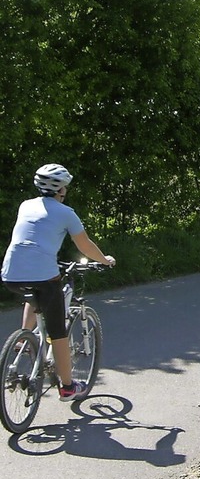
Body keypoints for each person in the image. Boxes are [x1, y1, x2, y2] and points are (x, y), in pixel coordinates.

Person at [1, 164, 115, 401]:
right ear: (61, 189)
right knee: (58, 332)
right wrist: (104, 260)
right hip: (43, 274)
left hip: (10, 273)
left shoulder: (26, 205)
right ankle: (67, 386)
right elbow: (84, 245)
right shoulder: (66, 213)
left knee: (34, 294)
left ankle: (26, 338)